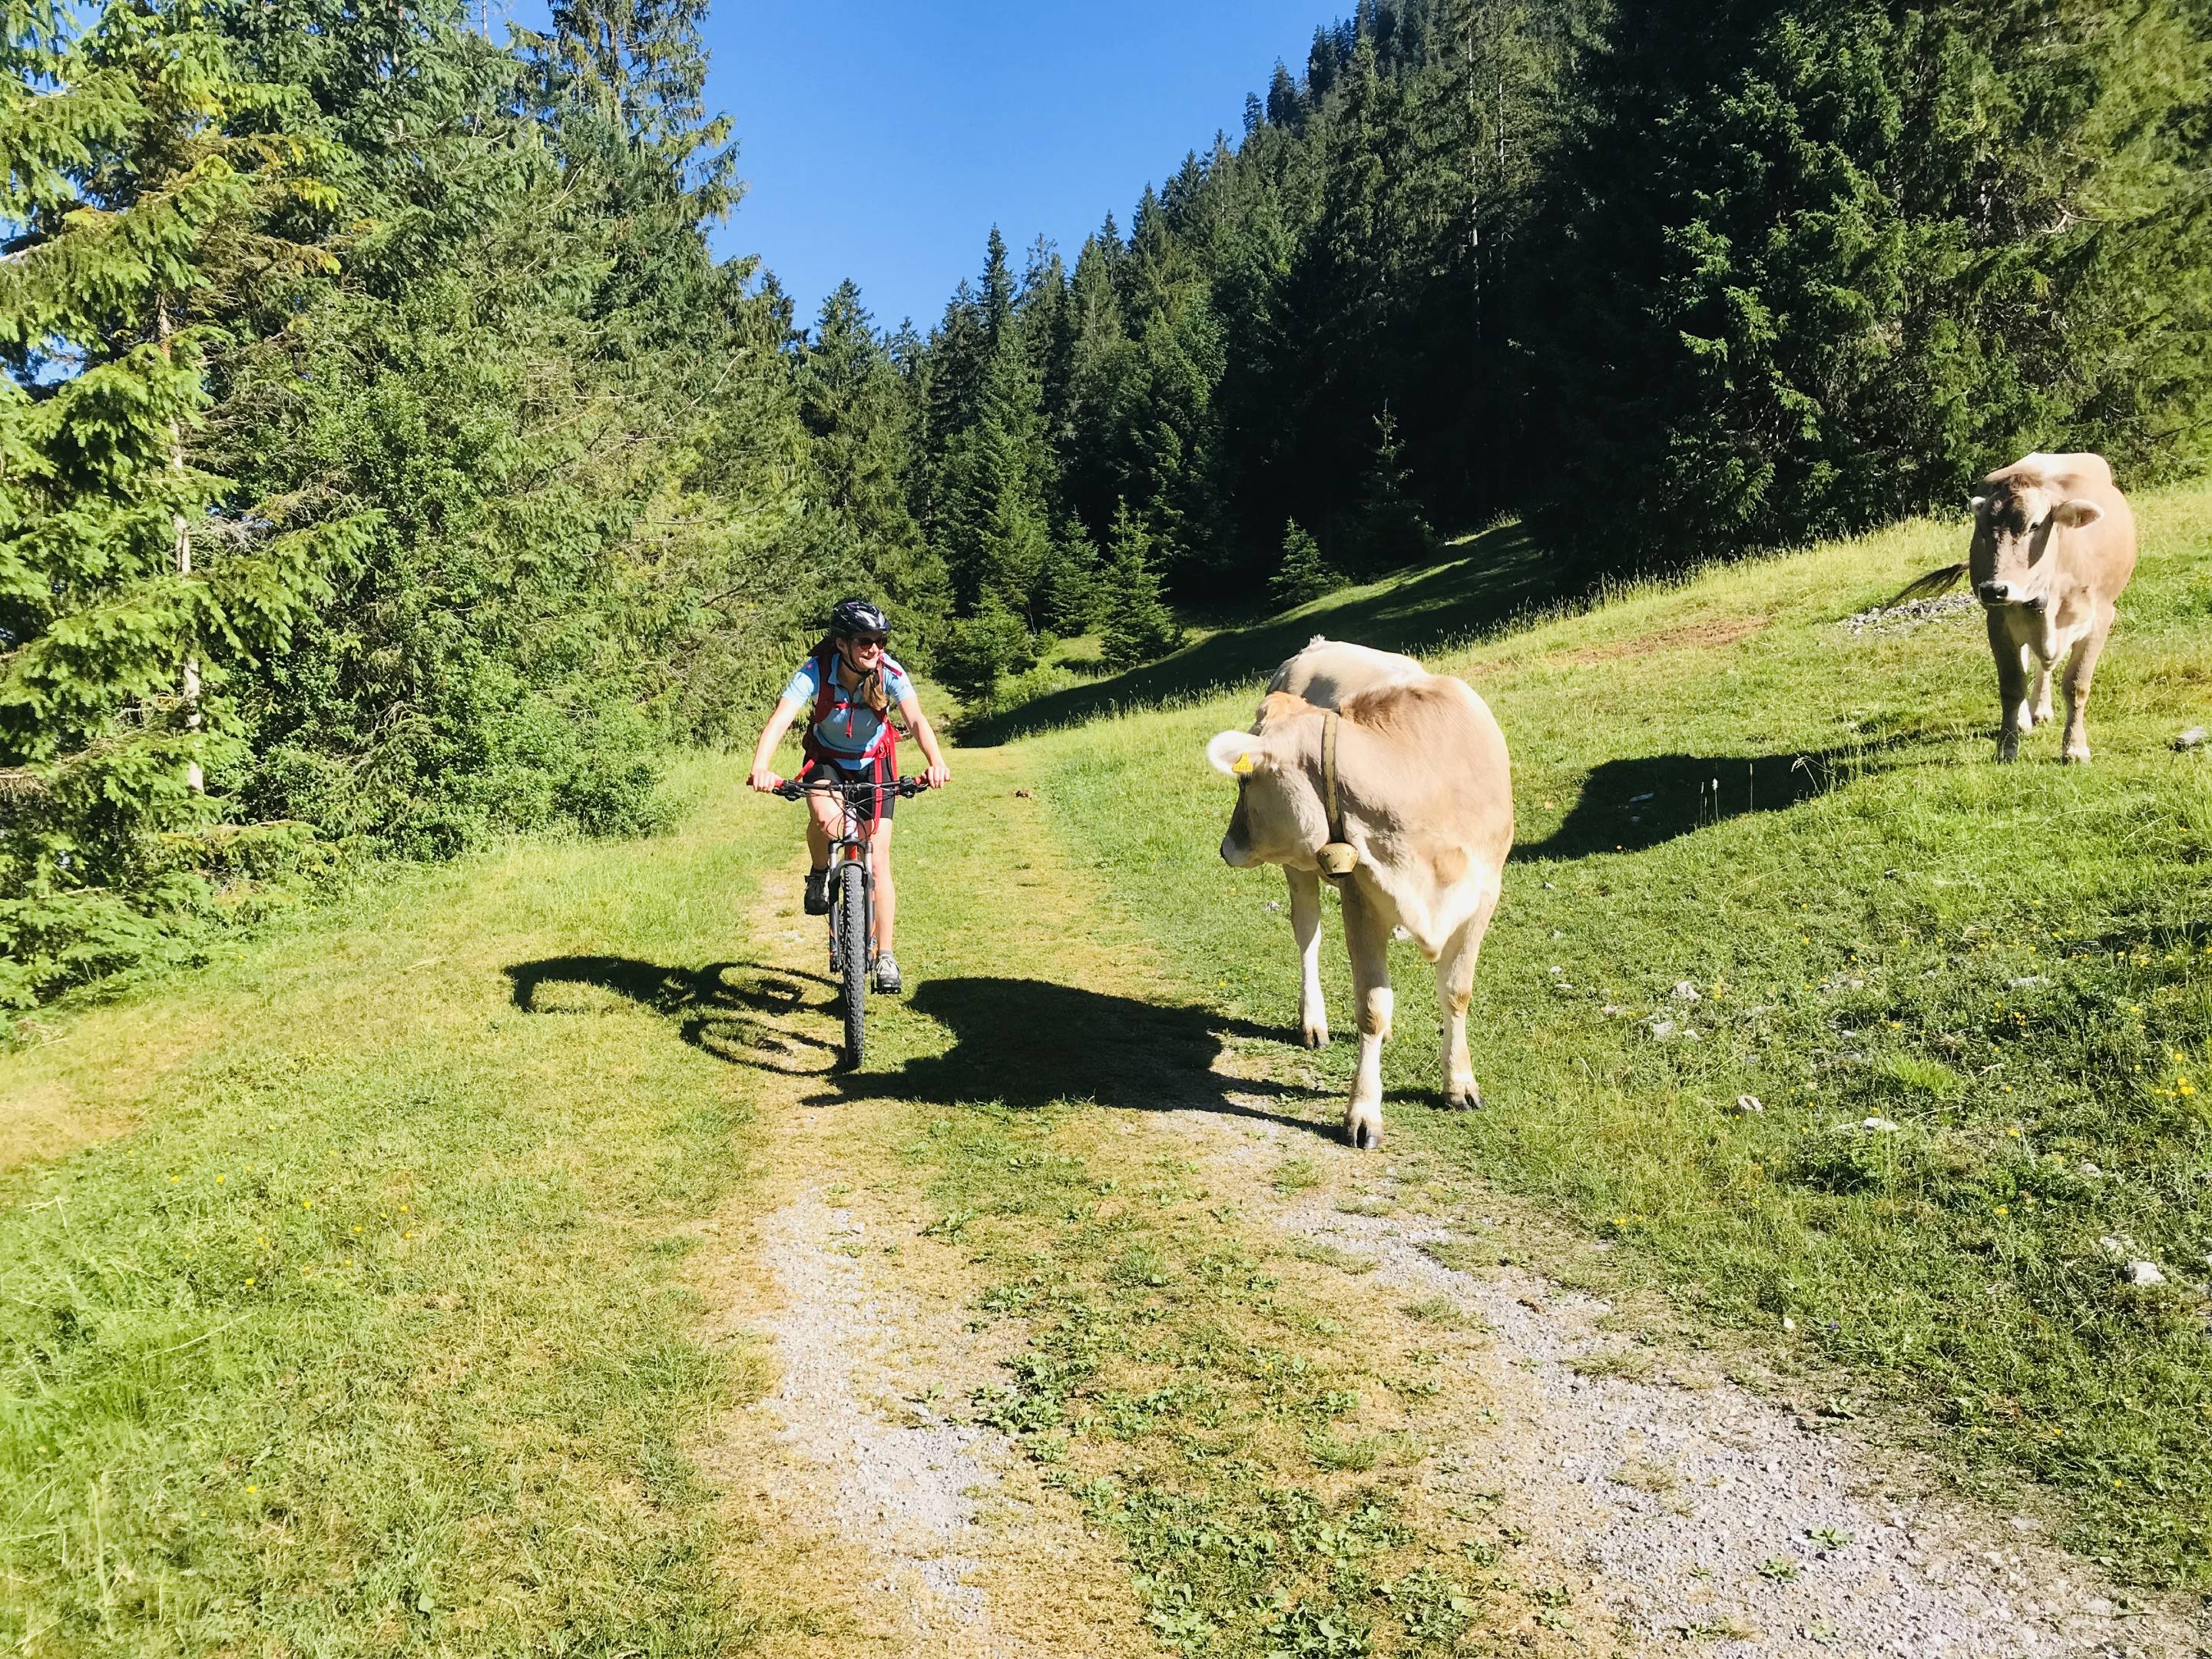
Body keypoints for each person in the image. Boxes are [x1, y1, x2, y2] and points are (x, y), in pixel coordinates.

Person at [747, 598, 949, 994]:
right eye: (864, 640)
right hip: (827, 761)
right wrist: (761, 766)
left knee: (878, 857)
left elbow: (916, 719)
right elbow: (781, 718)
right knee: (826, 821)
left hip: (876, 762)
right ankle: (821, 872)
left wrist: (936, 761)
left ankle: (886, 955)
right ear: (841, 643)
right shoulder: (816, 672)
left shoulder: (888, 672)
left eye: (880, 640)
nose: (874, 647)